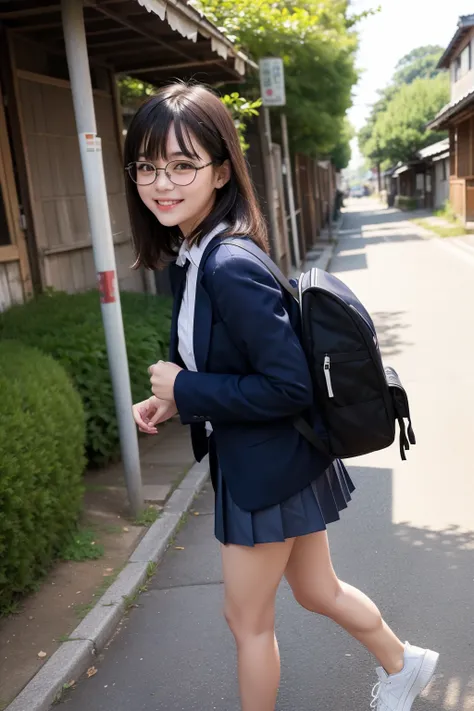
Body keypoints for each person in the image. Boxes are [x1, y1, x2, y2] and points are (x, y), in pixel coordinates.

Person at [127, 82, 439, 711]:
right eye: (147, 165)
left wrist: (186, 387)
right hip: (282, 460)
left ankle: (403, 665)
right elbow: (242, 364)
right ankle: (405, 664)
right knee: (317, 590)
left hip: (266, 470)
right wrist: (178, 398)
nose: (162, 181)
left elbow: (288, 385)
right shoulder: (197, 252)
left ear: (220, 171)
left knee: (247, 622)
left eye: (183, 164)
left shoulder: (226, 264)